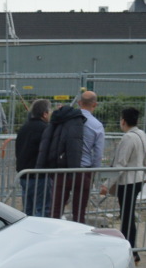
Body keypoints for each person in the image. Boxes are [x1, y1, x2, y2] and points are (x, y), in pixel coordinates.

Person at [37, 90, 103, 223]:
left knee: (56, 209)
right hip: (83, 171)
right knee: (79, 211)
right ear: (95, 105)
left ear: (79, 103)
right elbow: (98, 154)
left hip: (63, 169)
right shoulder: (97, 125)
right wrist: (93, 173)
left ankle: (53, 236)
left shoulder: (65, 119)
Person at [101, 106, 146, 262]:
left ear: (123, 121)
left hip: (128, 182)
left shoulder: (128, 138)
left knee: (127, 217)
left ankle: (130, 250)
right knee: (128, 215)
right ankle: (131, 249)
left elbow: (121, 164)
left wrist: (107, 184)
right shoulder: (141, 134)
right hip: (138, 180)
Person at [14, 99, 51, 216]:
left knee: (27, 210)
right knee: (43, 209)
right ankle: (40, 233)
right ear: (44, 113)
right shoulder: (45, 129)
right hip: (39, 175)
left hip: (24, 174)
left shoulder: (24, 128)